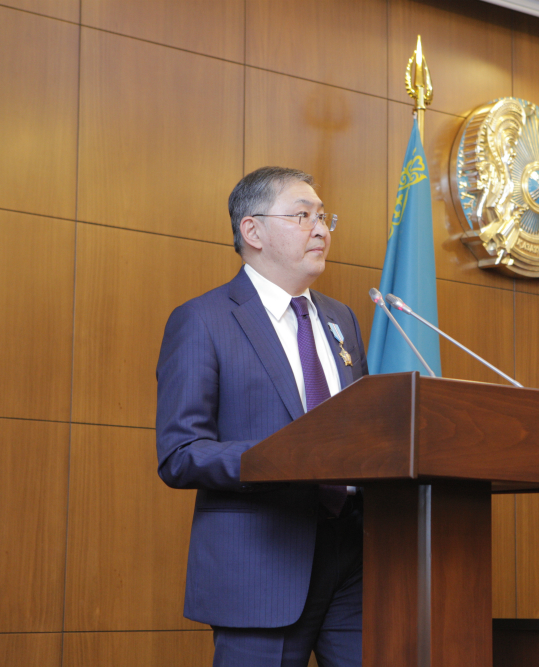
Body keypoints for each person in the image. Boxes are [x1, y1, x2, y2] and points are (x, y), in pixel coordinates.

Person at [156, 167, 368, 667]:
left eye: (324, 217)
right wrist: (285, 457)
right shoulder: (204, 320)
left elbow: (361, 430)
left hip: (354, 561)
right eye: (302, 216)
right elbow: (181, 454)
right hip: (262, 568)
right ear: (252, 230)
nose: (321, 229)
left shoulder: (341, 318)